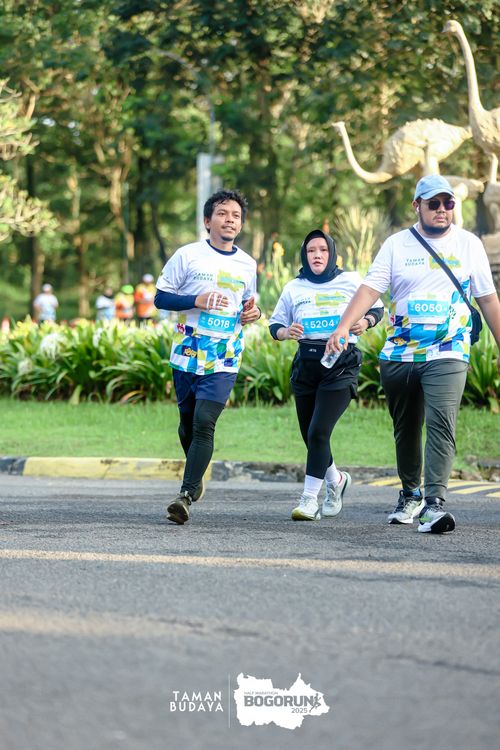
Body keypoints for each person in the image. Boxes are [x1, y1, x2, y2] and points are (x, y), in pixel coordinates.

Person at [329, 175, 500, 534]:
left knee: (441, 423)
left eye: (448, 203)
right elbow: (371, 289)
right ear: (416, 206)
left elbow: (487, 299)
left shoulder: (468, 244)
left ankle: (433, 505)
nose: (442, 210)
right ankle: (410, 494)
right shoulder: (396, 245)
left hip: (448, 350)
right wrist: (344, 326)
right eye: (433, 203)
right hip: (399, 354)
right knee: (405, 428)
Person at [155, 189, 260, 525]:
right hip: (187, 351)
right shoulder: (187, 256)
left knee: (204, 421)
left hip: (225, 353)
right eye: (222, 214)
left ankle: (185, 495)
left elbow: (249, 303)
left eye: (236, 216)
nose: (230, 220)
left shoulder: (247, 264)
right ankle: (196, 473)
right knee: (187, 421)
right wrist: (195, 300)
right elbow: (160, 298)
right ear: (207, 221)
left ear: (241, 224)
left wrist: (253, 313)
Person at [269, 229, 384, 521]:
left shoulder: (350, 281)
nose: (317, 255)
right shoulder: (294, 287)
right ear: (304, 255)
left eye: (322, 250)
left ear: (332, 253)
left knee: (319, 431)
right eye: (311, 251)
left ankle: (309, 500)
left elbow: (377, 308)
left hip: (341, 364)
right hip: (306, 366)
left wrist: (365, 322)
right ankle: (336, 480)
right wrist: (286, 331)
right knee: (310, 435)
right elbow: (275, 325)